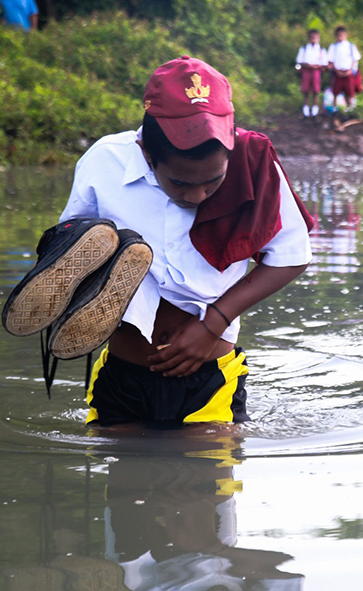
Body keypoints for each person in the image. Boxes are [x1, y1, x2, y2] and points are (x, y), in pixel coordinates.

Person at [57, 55, 313, 426]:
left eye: (214, 182)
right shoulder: (104, 163)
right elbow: (71, 249)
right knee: (122, 480)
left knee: (202, 476)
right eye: (180, 183)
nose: (197, 197)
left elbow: (292, 256)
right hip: (122, 375)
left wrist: (212, 325)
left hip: (210, 380)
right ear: (147, 154)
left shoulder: (253, 163)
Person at [326, 25, 362, 113]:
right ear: (336, 36)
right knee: (335, 91)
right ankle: (335, 109)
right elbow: (331, 60)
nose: (340, 36)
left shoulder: (350, 46)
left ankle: (350, 109)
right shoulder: (333, 47)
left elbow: (355, 59)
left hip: (348, 72)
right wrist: (337, 71)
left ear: (346, 35)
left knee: (350, 91)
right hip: (337, 72)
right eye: (338, 35)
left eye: (342, 34)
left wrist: (350, 70)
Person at [295, 29, 328, 120]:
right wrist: (308, 65)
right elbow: (299, 61)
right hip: (306, 70)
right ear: (309, 38)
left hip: (316, 71)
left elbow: (324, 63)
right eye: (312, 37)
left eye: (315, 37)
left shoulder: (321, 50)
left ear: (318, 38)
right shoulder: (304, 49)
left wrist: (316, 66)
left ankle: (315, 109)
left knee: (316, 90)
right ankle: (305, 108)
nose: (313, 39)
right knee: (305, 90)